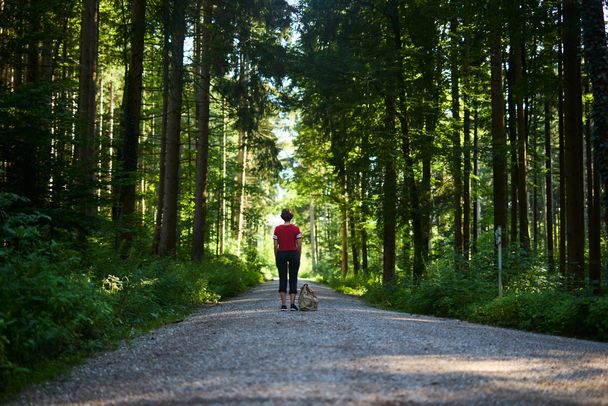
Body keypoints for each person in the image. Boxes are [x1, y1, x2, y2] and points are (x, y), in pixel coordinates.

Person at [273, 208, 302, 311]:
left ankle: (284, 305)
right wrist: (299, 255)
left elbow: (275, 245)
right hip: (294, 254)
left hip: (281, 254)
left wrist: (276, 256)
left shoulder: (277, 229)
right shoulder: (296, 228)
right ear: (291, 217)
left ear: (282, 217)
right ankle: (293, 305)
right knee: (293, 278)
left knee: (282, 278)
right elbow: (299, 244)